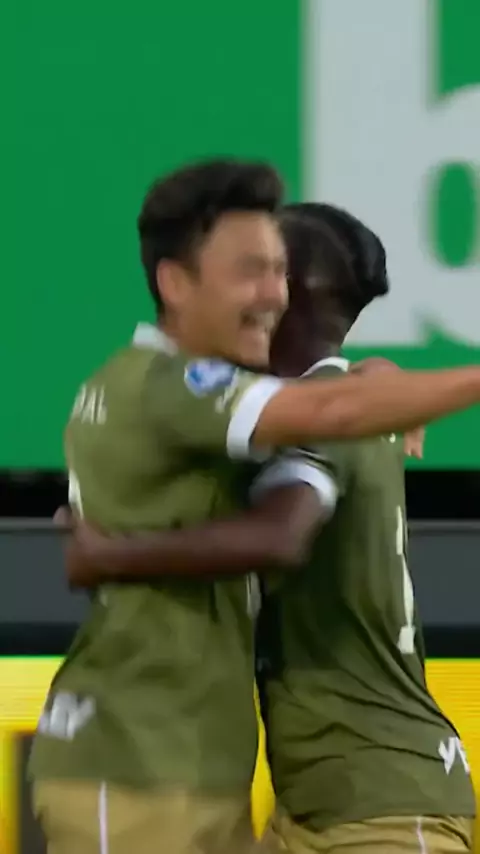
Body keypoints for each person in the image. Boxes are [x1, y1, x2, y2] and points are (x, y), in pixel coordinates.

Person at [59, 202, 475, 853]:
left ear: (294, 296)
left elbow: (280, 536)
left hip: (384, 807)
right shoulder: (320, 406)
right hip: (311, 811)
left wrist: (110, 555)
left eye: (266, 270)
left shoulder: (327, 418)